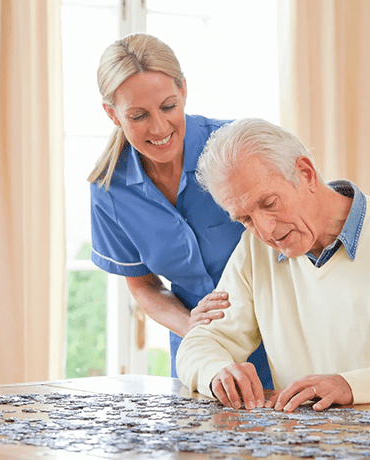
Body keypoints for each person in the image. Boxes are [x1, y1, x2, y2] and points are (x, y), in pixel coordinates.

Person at [176, 118, 370, 413]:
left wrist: (351, 387)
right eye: (245, 219)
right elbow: (201, 343)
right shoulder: (254, 251)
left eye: (269, 203)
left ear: (305, 173)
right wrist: (216, 372)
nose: (265, 230)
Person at [88, 34, 272, 387]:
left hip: (280, 340)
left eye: (169, 106)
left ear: (184, 90)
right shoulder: (109, 190)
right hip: (199, 354)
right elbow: (144, 286)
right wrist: (196, 331)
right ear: (112, 114)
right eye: (138, 115)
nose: (159, 128)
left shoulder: (238, 147)